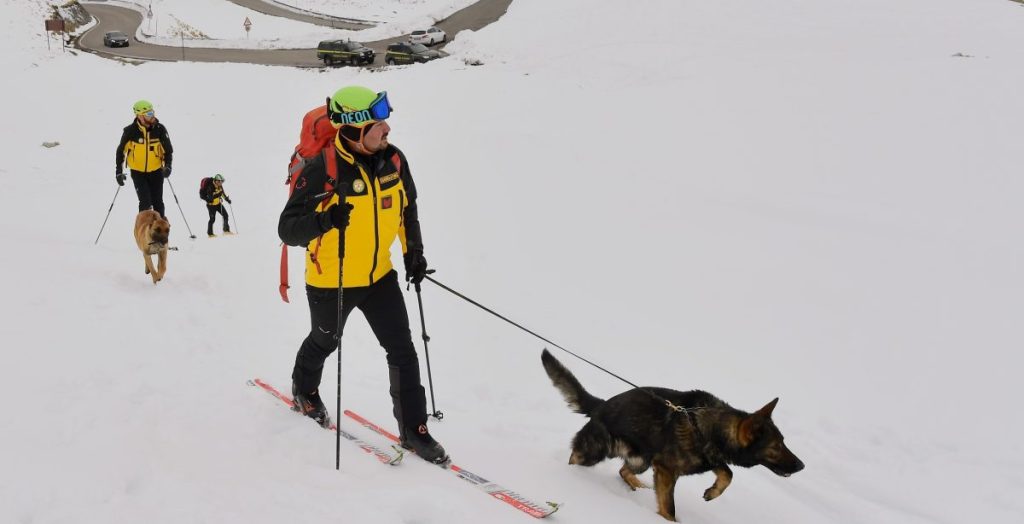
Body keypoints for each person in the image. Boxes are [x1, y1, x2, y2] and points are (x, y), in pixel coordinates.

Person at [278, 86, 445, 464]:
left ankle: (414, 430)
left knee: (402, 349)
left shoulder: (394, 161)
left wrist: (413, 252)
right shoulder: (322, 169)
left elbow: (407, 209)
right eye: (376, 122)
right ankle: (304, 390)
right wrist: (324, 220)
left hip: (378, 276)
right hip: (330, 278)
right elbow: (287, 229)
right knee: (325, 341)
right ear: (353, 130)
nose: (387, 128)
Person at [115, 100, 173, 218]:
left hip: (157, 171)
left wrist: (168, 166)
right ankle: (144, 232)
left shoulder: (160, 129)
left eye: (152, 112)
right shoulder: (130, 131)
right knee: (145, 203)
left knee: (158, 202)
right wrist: (119, 172)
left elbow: (168, 151)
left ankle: (161, 233)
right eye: (149, 114)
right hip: (138, 172)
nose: (152, 116)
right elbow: (120, 151)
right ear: (139, 116)